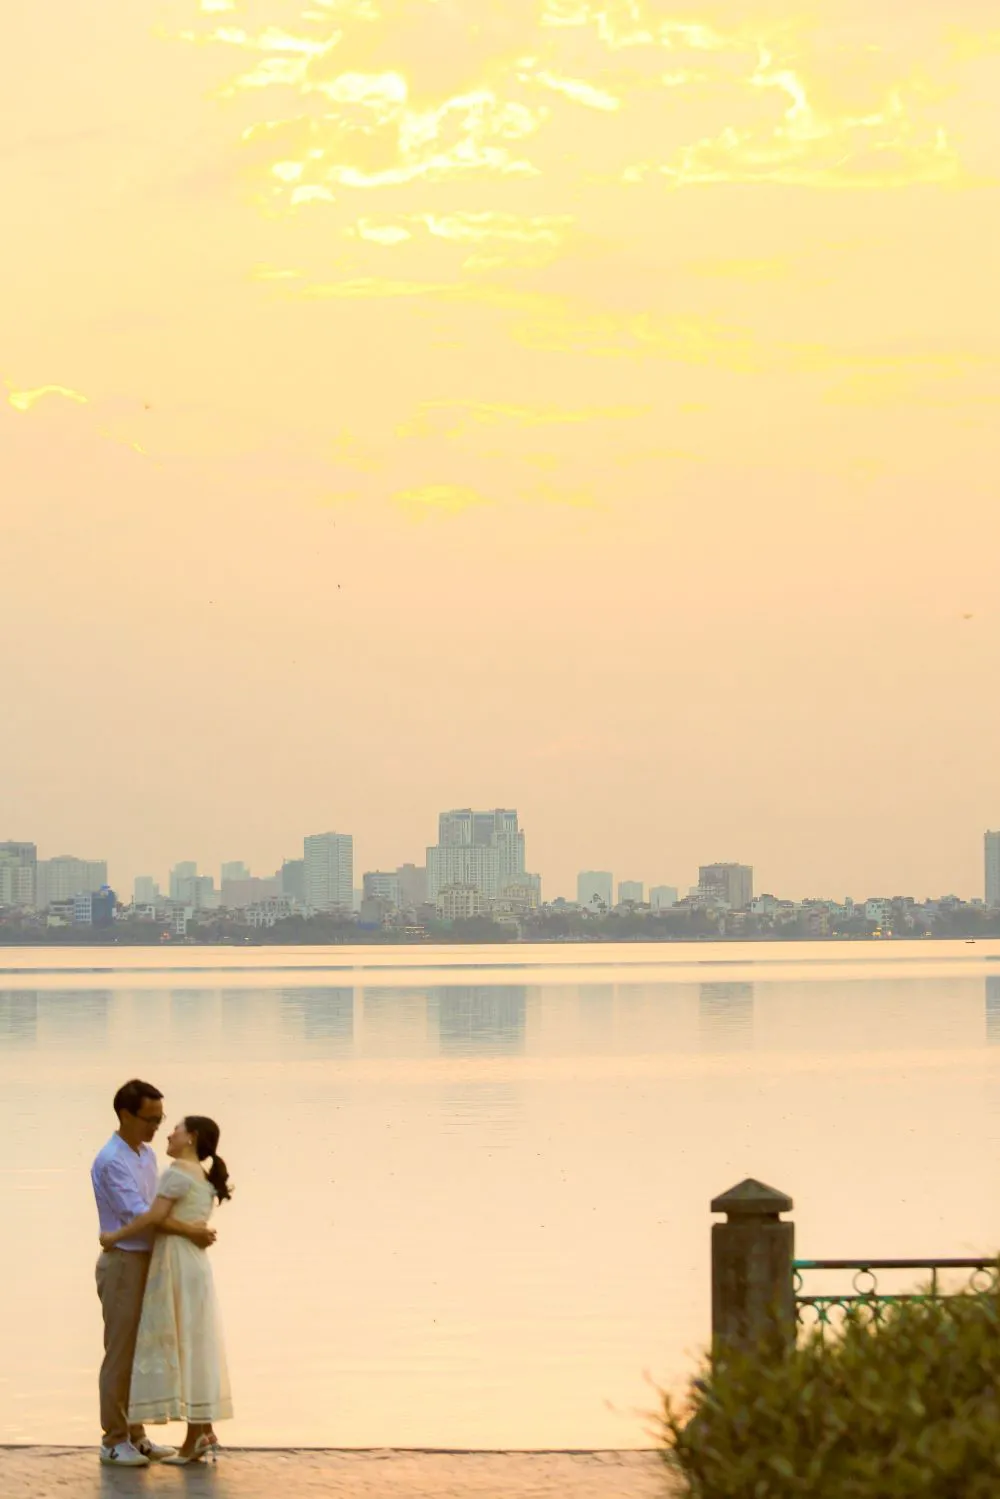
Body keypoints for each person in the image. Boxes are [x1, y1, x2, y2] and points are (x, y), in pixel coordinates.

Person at [91, 1079, 216, 1468]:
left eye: (161, 1119)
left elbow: (159, 1209)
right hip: (124, 1262)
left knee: (143, 1351)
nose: (156, 1127)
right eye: (149, 1119)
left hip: (152, 1260)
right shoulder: (111, 1160)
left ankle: (137, 1436)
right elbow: (142, 1215)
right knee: (121, 1354)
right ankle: (113, 1440)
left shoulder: (145, 1154)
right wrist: (190, 1231)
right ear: (125, 1115)